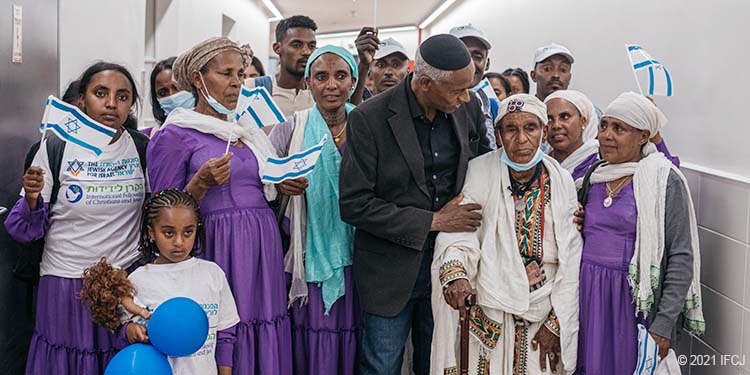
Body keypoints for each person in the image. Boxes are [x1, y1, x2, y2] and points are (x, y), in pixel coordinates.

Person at [339, 34, 492, 375]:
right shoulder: (369, 118)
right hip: (389, 272)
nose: (466, 97)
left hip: (450, 267)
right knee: (382, 366)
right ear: (424, 83)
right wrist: (434, 220)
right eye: (457, 90)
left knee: (438, 365)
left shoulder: (468, 107)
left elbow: (486, 172)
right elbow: (354, 205)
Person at [147, 37, 291, 375]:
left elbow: (260, 187)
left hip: (261, 245)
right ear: (198, 79)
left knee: (264, 320)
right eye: (226, 73)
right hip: (218, 247)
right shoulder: (175, 134)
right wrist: (198, 185)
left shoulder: (246, 132)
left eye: (240, 73)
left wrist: (284, 186)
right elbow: (159, 211)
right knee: (225, 328)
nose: (237, 82)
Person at [4, 62, 149, 374]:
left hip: (125, 283)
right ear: (82, 99)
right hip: (66, 284)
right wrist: (31, 199)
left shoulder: (140, 148)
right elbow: (24, 230)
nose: (112, 103)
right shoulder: (57, 145)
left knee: (120, 361)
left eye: (123, 96)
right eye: (101, 93)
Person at [433, 94, 583, 375]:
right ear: (499, 135)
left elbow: (572, 256)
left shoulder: (561, 180)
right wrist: (457, 274)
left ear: (544, 132)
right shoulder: (481, 170)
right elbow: (460, 227)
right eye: (511, 129)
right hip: (490, 310)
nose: (521, 138)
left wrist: (557, 321)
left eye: (530, 128)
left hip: (544, 311)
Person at [575, 92, 704, 375]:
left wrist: (663, 324)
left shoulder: (663, 180)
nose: (606, 135)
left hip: (634, 306)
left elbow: (681, 257)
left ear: (643, 136)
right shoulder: (592, 178)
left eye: (618, 128)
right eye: (604, 125)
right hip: (588, 298)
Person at [269, 45, 361, 375]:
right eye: (321, 77)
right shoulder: (290, 130)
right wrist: (279, 188)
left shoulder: (368, 127)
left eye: (340, 76)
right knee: (309, 344)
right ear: (308, 83)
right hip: (306, 257)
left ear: (353, 80)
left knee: (354, 339)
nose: (331, 85)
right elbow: (264, 183)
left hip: (358, 257)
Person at [106, 189, 237, 375]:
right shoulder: (137, 280)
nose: (179, 242)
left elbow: (226, 335)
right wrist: (129, 331)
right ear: (152, 233)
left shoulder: (212, 274)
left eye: (188, 232)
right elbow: (120, 333)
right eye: (168, 233)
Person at [245, 15, 317, 118]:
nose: (307, 52)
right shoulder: (252, 89)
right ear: (277, 48)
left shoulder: (318, 95)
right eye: (296, 45)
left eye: (312, 46)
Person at [450, 24, 498, 149]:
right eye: (462, 54)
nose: (469, 63)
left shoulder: (491, 104)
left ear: (487, 63)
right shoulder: (432, 103)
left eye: (477, 56)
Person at [352, 30, 410, 103]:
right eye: (381, 65)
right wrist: (364, 65)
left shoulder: (418, 105)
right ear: (370, 72)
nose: (388, 72)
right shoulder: (363, 107)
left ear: (408, 71)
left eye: (396, 65)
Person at [145, 56, 180, 137]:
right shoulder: (152, 137)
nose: (171, 96)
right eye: (163, 93)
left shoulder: (210, 129)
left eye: (177, 88)